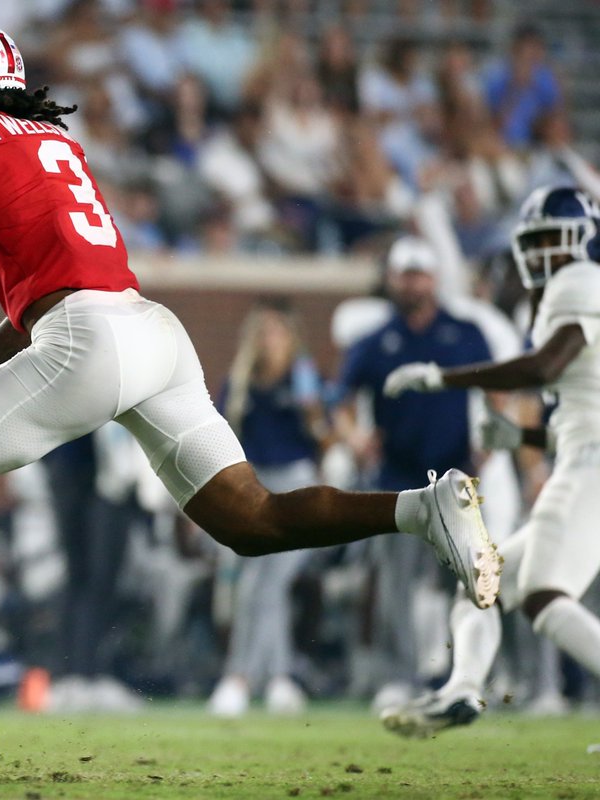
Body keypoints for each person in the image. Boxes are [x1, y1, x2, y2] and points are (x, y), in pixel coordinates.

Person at [0, 18, 498, 749]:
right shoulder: (44, 137)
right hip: (149, 331)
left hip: (88, 338)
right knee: (252, 519)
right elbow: (48, 291)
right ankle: (420, 508)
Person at [380, 185, 600, 737]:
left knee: (545, 597)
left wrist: (444, 378)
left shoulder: (581, 282)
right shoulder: (570, 294)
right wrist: (520, 434)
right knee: (483, 584)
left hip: (590, 467)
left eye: (554, 240)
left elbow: (543, 367)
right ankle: (460, 690)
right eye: (536, 241)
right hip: (583, 457)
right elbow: (582, 409)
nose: (542, 253)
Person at [333, 236, 495, 709]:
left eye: (419, 274)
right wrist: (355, 438)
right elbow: (339, 401)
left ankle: (466, 676)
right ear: (392, 279)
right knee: (395, 587)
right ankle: (400, 675)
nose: (413, 284)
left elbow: (498, 389)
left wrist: (491, 440)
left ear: (434, 278)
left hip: (456, 478)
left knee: (471, 582)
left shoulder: (464, 332)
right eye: (406, 275)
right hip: (395, 479)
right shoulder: (375, 340)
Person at [208, 300, 328, 718]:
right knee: (258, 585)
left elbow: (324, 438)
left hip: (296, 485)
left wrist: (314, 412)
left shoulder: (303, 378)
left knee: (267, 584)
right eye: (262, 334)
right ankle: (278, 680)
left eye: (277, 333)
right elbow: (221, 439)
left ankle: (239, 677)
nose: (269, 342)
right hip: (255, 487)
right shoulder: (239, 383)